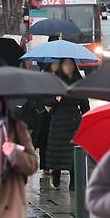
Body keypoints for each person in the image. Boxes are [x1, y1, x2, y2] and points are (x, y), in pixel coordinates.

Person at [45, 58, 90, 190]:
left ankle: (73, 181)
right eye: (66, 64)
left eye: (71, 64)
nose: (68, 67)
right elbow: (47, 101)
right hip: (58, 120)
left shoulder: (79, 82)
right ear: (61, 66)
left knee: (73, 152)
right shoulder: (56, 81)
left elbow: (84, 103)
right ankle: (56, 173)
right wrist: (56, 98)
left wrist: (87, 118)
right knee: (57, 151)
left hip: (74, 121)